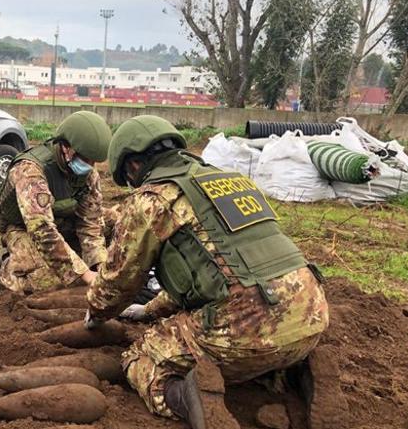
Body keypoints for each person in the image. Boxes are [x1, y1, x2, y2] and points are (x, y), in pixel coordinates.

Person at [84, 115, 345, 429]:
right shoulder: (233, 181)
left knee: (140, 359)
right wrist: (151, 308)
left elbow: (118, 279)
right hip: (311, 317)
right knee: (264, 340)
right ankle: (301, 370)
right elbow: (223, 268)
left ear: (134, 166)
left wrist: (97, 312)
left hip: (243, 332)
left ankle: (190, 399)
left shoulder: (150, 200)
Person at [0, 111, 112, 294]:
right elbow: (42, 231)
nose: (90, 166)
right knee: (46, 283)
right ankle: (0, 258)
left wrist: (99, 265)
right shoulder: (30, 171)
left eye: (94, 161)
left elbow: (91, 221)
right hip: (21, 226)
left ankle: (73, 256)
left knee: (119, 221)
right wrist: (86, 275)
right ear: (65, 147)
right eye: (85, 159)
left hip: (60, 218)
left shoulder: (87, 174)